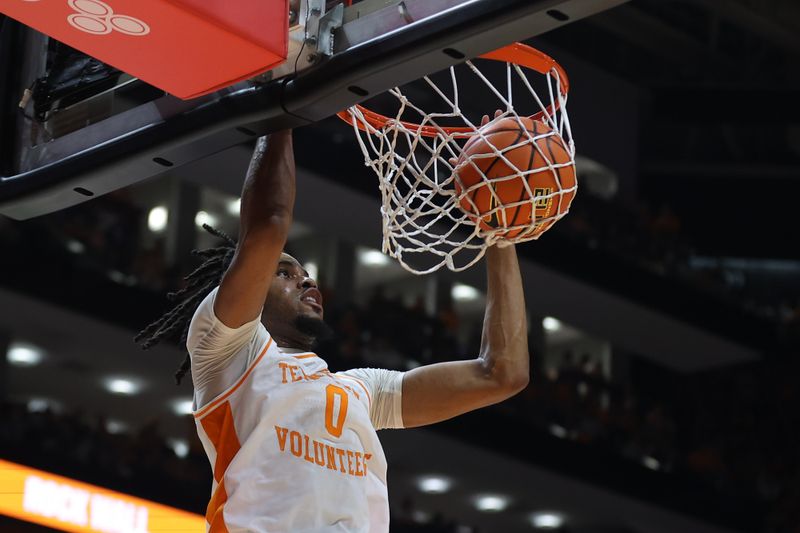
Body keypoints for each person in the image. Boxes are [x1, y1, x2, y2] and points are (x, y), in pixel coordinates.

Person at [135, 125, 531, 532]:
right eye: (284, 273)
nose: (307, 281)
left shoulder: (361, 390)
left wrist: (498, 231)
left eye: (306, 273)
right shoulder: (228, 354)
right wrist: (282, 113)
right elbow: (268, 225)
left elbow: (502, 373)